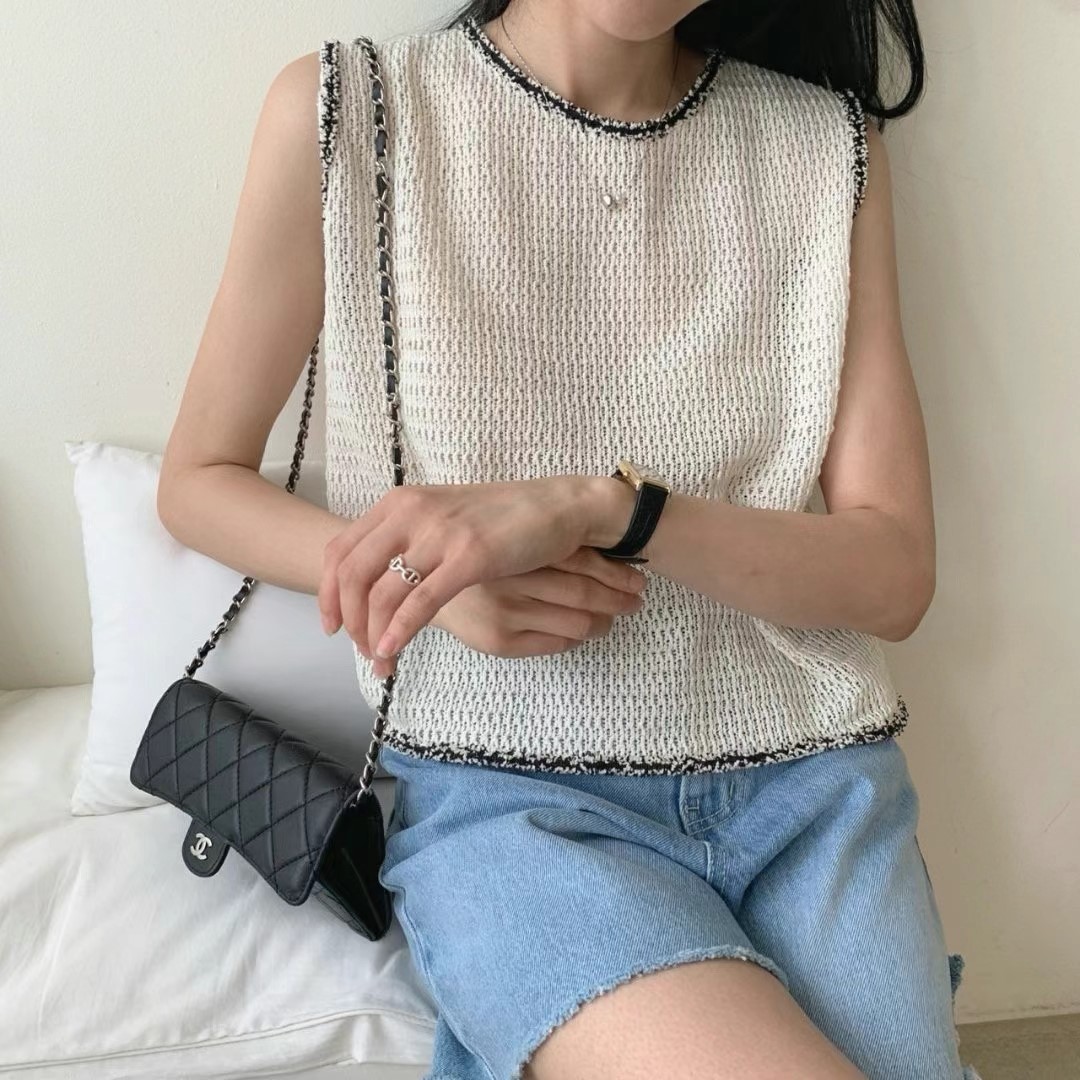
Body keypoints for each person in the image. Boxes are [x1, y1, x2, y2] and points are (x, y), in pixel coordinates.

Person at [156, 1, 982, 1077]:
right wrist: (426, 578)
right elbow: (198, 482)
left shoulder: (828, 147)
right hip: (515, 808)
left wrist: (613, 510)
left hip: (817, 797)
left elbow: (895, 574)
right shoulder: (354, 112)